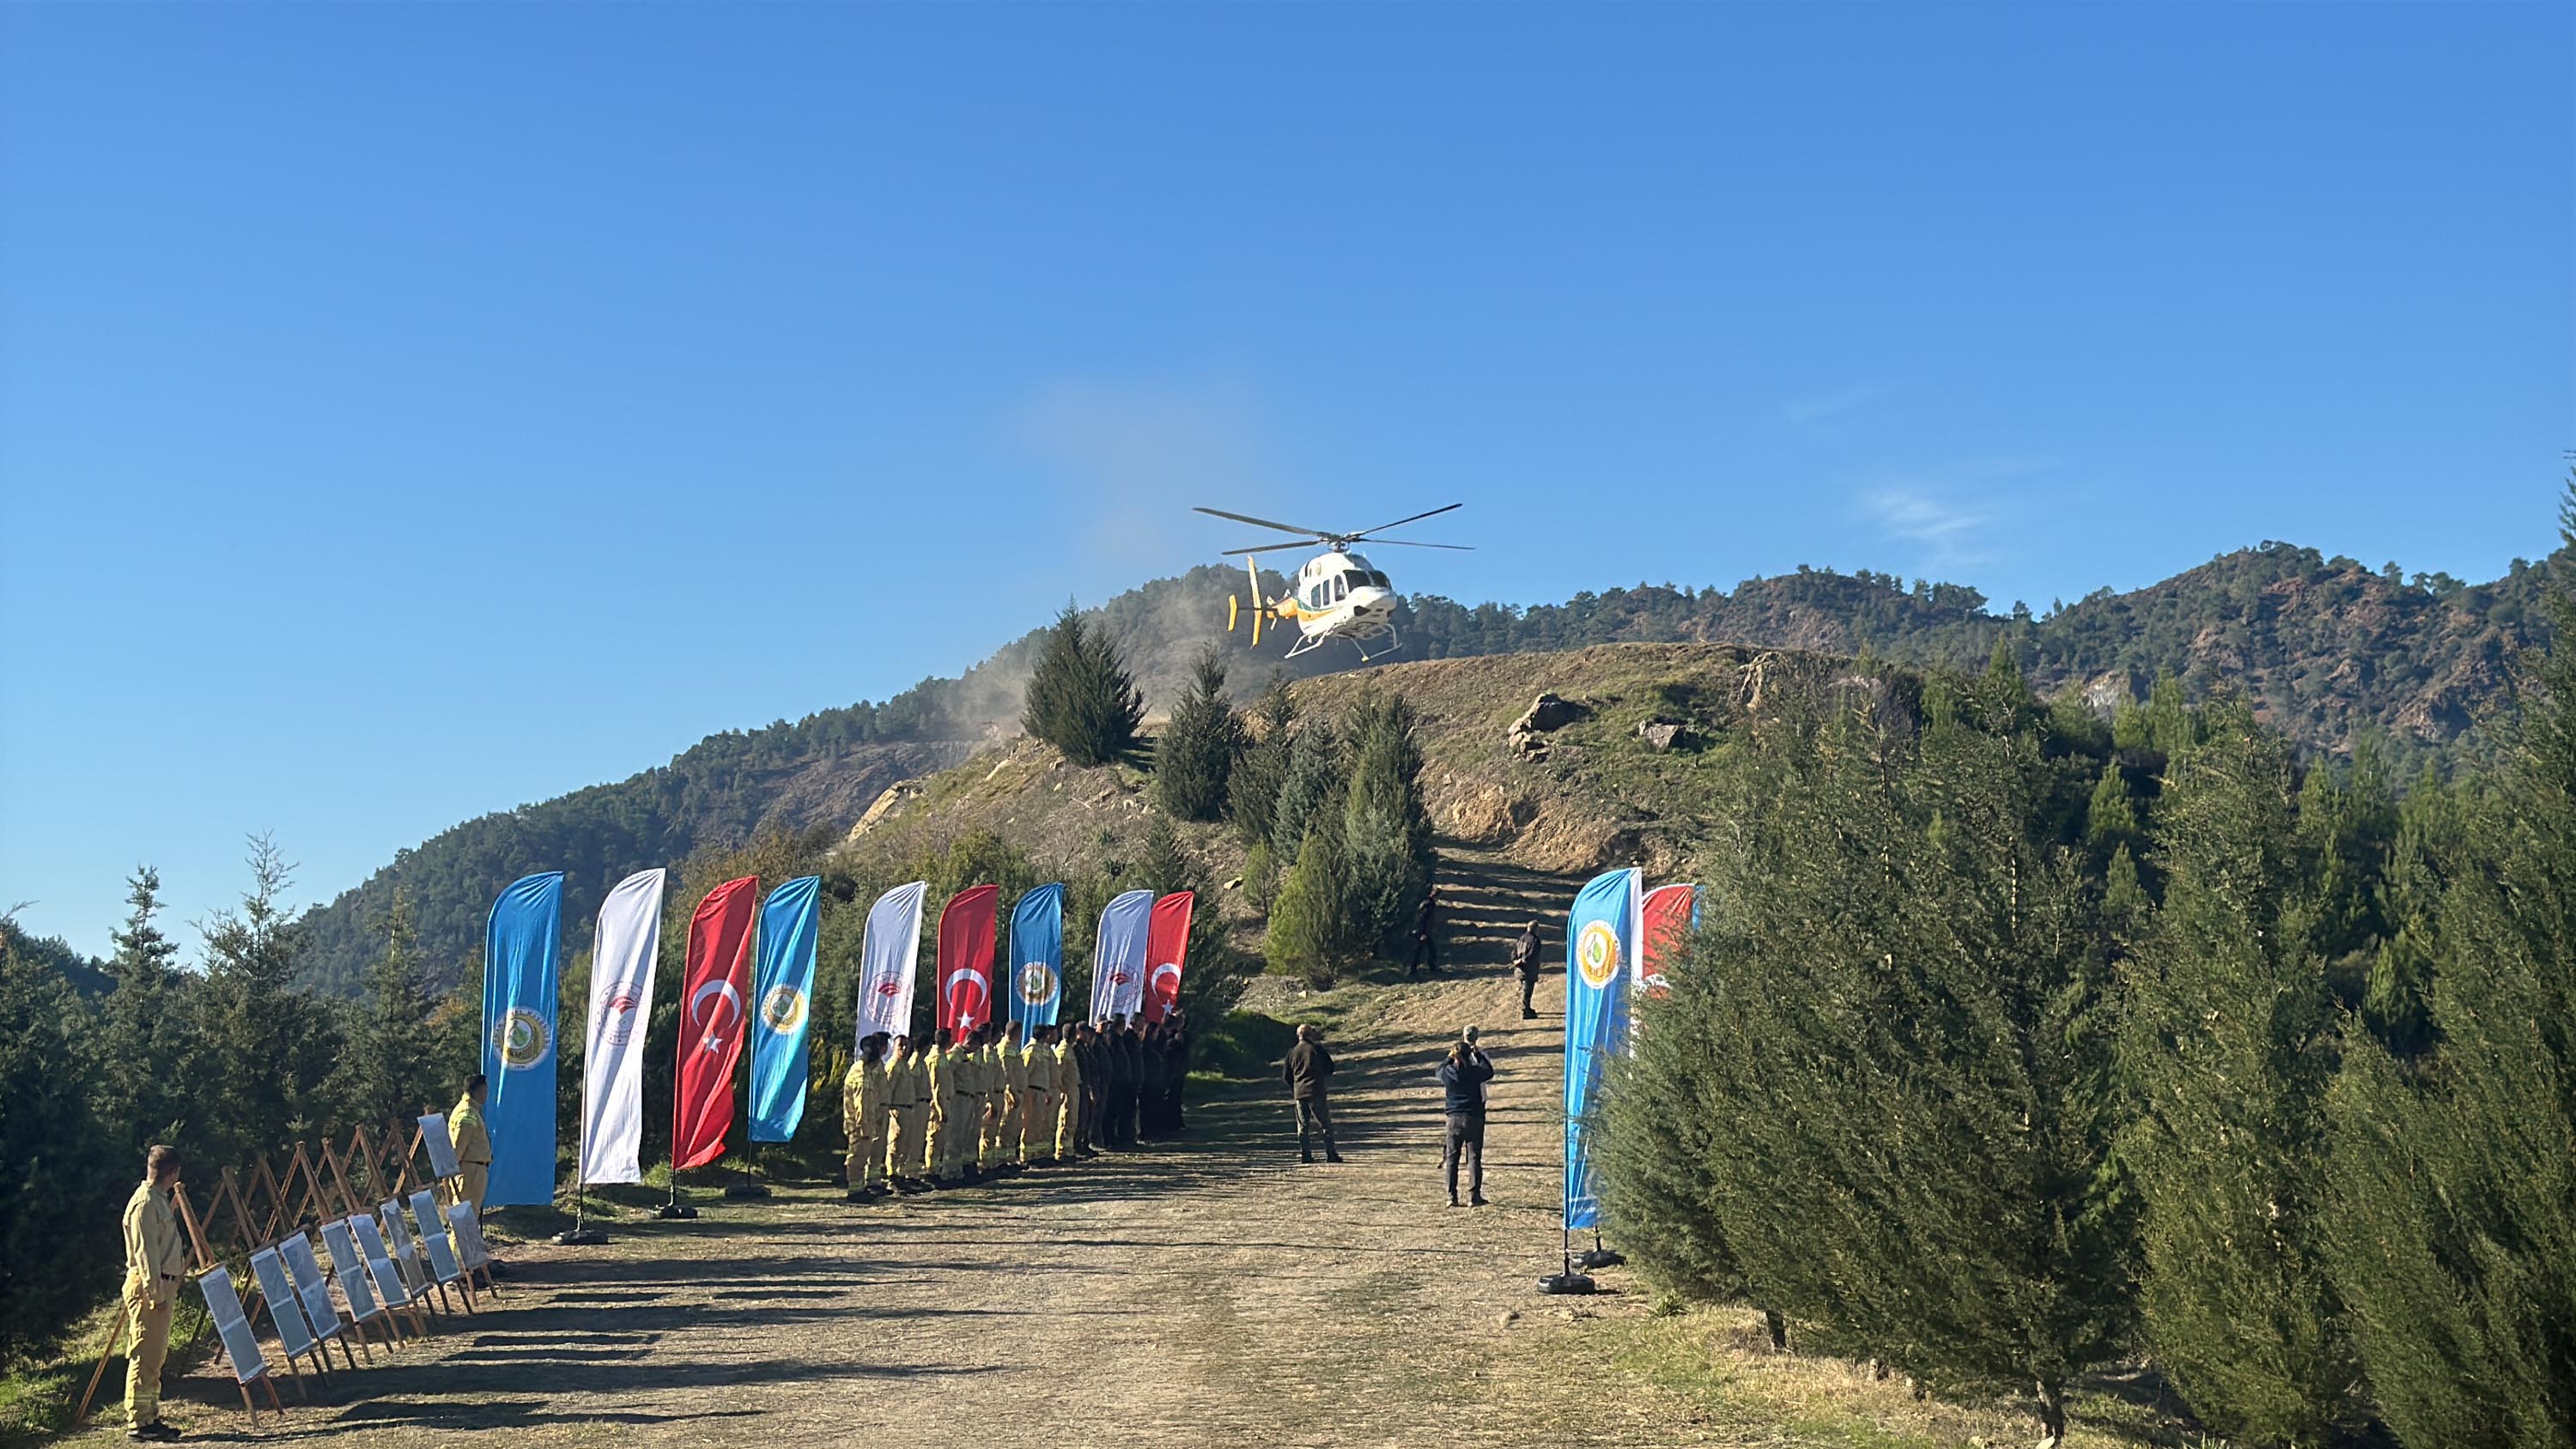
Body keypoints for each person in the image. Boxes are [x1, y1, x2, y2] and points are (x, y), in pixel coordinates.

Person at [121, 1144, 189, 1441]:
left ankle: (150, 1415)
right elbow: (146, 1254)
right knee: (144, 1354)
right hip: (151, 1287)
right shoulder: (145, 1203)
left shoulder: (158, 1199)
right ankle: (138, 1421)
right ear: (172, 1172)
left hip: (163, 1283)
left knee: (155, 1355)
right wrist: (156, 1294)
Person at [1438, 1029, 1496, 1207]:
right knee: (1474, 1157)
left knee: (1452, 1159)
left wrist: (1449, 1058)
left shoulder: (1448, 1072)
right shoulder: (1474, 1072)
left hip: (1453, 1119)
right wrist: (1478, 1055)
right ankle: (1474, 1196)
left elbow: (1438, 1069)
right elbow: (1489, 1072)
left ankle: (1451, 1196)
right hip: (1473, 1117)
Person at [1283, 1023, 1342, 1164]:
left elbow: (1287, 1076)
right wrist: (1321, 1078)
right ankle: (1331, 1154)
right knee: (1325, 1124)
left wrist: (1296, 1086)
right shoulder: (1317, 1049)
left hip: (1300, 1093)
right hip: (1316, 1091)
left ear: (1298, 1035)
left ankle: (1306, 1155)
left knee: (1303, 1126)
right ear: (1311, 1034)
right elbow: (1330, 1068)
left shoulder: (1292, 1053)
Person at [844, 1034, 891, 1198]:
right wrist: (864, 1126)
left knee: (863, 1156)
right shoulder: (860, 1073)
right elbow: (861, 1104)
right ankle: (855, 1190)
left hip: (867, 1122)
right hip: (859, 1125)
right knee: (857, 1157)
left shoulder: (866, 1071)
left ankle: (860, 1188)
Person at [446, 1073, 492, 1216]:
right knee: (465, 1215)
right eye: (484, 1091)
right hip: (470, 1172)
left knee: (469, 1214)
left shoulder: (472, 1110)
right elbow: (459, 1146)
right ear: (476, 1092)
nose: (486, 1095)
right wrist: (450, 1173)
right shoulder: (467, 1113)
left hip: (474, 1169)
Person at [883, 1034, 921, 1191]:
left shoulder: (904, 1065)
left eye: (907, 1045)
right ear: (894, 1047)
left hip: (908, 1108)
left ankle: (901, 1173)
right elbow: (888, 1089)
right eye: (901, 1045)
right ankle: (892, 1175)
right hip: (897, 1109)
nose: (904, 1049)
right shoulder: (893, 1065)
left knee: (905, 1144)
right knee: (895, 1143)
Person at [1019, 1025, 1056, 1165]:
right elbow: (1026, 1072)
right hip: (1032, 1091)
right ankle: (1026, 1156)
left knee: (1038, 1124)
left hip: (1041, 1091)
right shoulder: (1032, 1050)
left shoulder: (1041, 1050)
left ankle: (1035, 1154)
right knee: (1030, 1124)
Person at [1051, 1023, 1084, 1161]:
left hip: (1073, 1089)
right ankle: (1061, 1151)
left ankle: (1068, 1151)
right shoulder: (1063, 1050)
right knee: (1065, 1120)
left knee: (1072, 1121)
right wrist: (1062, 1090)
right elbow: (1059, 1072)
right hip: (1066, 1090)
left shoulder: (1069, 1050)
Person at [1510, 919, 1545, 1019]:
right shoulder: (1535, 940)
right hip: (1529, 969)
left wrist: (1516, 960)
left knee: (1525, 990)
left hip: (1519, 969)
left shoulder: (1521, 938)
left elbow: (1514, 951)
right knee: (1527, 991)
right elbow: (1533, 954)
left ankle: (1527, 1008)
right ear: (1536, 929)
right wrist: (1523, 961)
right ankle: (1525, 1011)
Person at [1408, 886, 1443, 979]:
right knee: (1422, 950)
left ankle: (1417, 969)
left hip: (1420, 930)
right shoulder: (1430, 905)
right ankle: (1413, 970)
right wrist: (1424, 933)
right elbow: (1424, 920)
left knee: (1426, 949)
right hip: (1422, 931)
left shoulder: (1426, 902)